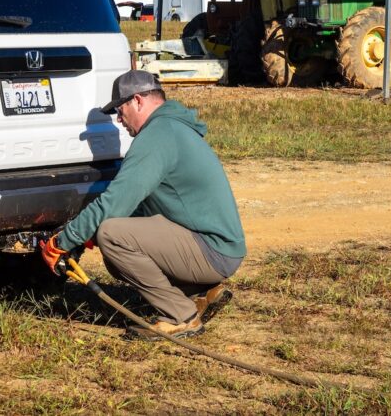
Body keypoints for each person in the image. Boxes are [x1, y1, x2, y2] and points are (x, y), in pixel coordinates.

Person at [41, 70, 246, 340]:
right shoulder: (172, 128)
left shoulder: (156, 136)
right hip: (216, 246)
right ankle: (200, 290)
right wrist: (87, 234)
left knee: (113, 236)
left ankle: (179, 315)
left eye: (120, 109)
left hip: (213, 252)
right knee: (113, 241)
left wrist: (64, 240)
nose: (119, 118)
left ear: (138, 100)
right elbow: (147, 207)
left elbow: (117, 201)